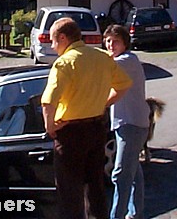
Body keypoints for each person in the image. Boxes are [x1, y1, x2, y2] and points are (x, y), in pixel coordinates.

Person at [41, 17, 133, 219]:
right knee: (95, 187)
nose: (52, 46)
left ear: (63, 38)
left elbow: (48, 102)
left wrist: (50, 127)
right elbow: (124, 85)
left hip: (70, 134)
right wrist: (102, 103)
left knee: (69, 192)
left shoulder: (64, 63)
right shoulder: (102, 57)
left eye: (53, 41)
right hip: (96, 128)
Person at [103, 25, 150, 219]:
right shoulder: (118, 61)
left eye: (115, 41)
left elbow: (102, 66)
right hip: (126, 123)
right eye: (108, 41)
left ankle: (118, 216)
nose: (110, 45)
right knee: (133, 173)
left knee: (121, 173)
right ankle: (135, 213)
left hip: (132, 124)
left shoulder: (127, 60)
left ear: (125, 43)